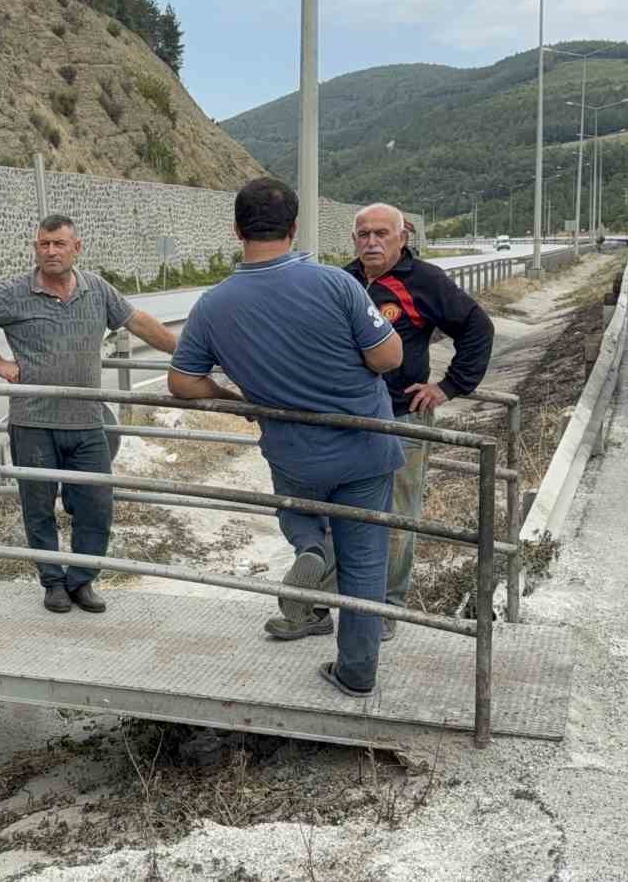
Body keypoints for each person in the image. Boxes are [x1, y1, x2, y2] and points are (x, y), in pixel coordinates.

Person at [167, 178, 403, 698]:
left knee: (298, 510)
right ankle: (357, 673)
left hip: (292, 452)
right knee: (365, 562)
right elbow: (389, 358)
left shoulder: (213, 305)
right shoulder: (337, 285)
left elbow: (182, 382)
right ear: (295, 228)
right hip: (364, 447)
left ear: (236, 230)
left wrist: (236, 399)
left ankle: (309, 546)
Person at [0, 214, 178, 614]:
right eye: (43, 244)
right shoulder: (16, 292)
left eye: (58, 243)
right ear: (36, 248)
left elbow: (138, 322)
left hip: (88, 422)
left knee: (96, 504)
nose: (50, 251)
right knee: (38, 507)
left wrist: (186, 353)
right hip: (33, 423)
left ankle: (82, 580)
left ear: (77, 247)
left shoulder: (97, 289)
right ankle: (53, 583)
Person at [343, 203, 493, 640]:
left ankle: (387, 610)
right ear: (354, 239)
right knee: (340, 515)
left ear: (401, 237)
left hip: (402, 420)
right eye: (363, 234)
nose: (371, 242)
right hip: (346, 421)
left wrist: (448, 387)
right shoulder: (343, 279)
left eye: (381, 234)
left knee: (395, 520)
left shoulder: (424, 282)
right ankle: (334, 603)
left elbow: (477, 327)